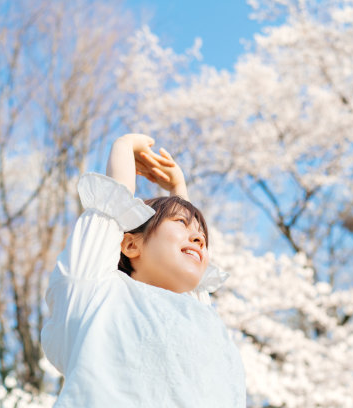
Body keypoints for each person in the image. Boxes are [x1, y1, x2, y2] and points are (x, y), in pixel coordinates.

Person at [41, 134, 246, 407]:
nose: (199, 239)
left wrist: (179, 190)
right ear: (130, 244)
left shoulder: (199, 314)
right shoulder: (97, 293)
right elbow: (108, 213)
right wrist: (124, 147)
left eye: (202, 236)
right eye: (181, 223)